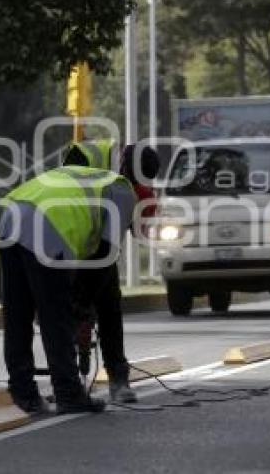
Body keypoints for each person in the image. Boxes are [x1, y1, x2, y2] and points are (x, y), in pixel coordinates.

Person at [0, 139, 158, 414]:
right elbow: (106, 254)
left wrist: (82, 296)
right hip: (50, 226)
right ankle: (70, 393)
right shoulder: (121, 188)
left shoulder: (92, 162)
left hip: (11, 216)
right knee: (56, 315)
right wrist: (83, 303)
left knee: (18, 314)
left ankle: (23, 393)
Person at [64, 140, 160, 405]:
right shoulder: (100, 167)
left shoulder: (126, 182)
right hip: (68, 237)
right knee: (75, 309)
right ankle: (69, 382)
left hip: (93, 239)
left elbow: (133, 234)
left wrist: (144, 208)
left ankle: (117, 379)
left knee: (108, 305)